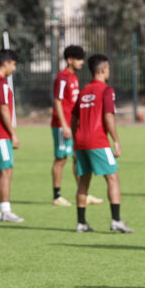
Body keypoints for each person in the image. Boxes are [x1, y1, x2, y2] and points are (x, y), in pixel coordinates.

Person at [71, 54, 132, 233]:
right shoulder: (106, 90)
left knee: (83, 181)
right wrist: (116, 140)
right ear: (104, 69)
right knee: (113, 177)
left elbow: (73, 118)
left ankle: (81, 223)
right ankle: (116, 221)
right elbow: (108, 116)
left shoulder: (84, 91)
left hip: (81, 141)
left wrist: (76, 136)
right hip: (97, 141)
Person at [50, 45, 103, 207]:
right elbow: (57, 101)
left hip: (73, 126)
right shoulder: (62, 78)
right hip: (61, 125)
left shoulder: (74, 77)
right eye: (78, 59)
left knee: (76, 158)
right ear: (69, 60)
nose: (81, 62)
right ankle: (57, 196)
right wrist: (65, 125)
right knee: (60, 159)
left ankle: (83, 193)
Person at [0, 49, 24, 222]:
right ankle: (6, 211)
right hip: (0, 134)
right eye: (13, 64)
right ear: (6, 63)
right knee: (6, 171)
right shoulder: (0, 83)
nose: (14, 69)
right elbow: (3, 109)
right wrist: (13, 134)